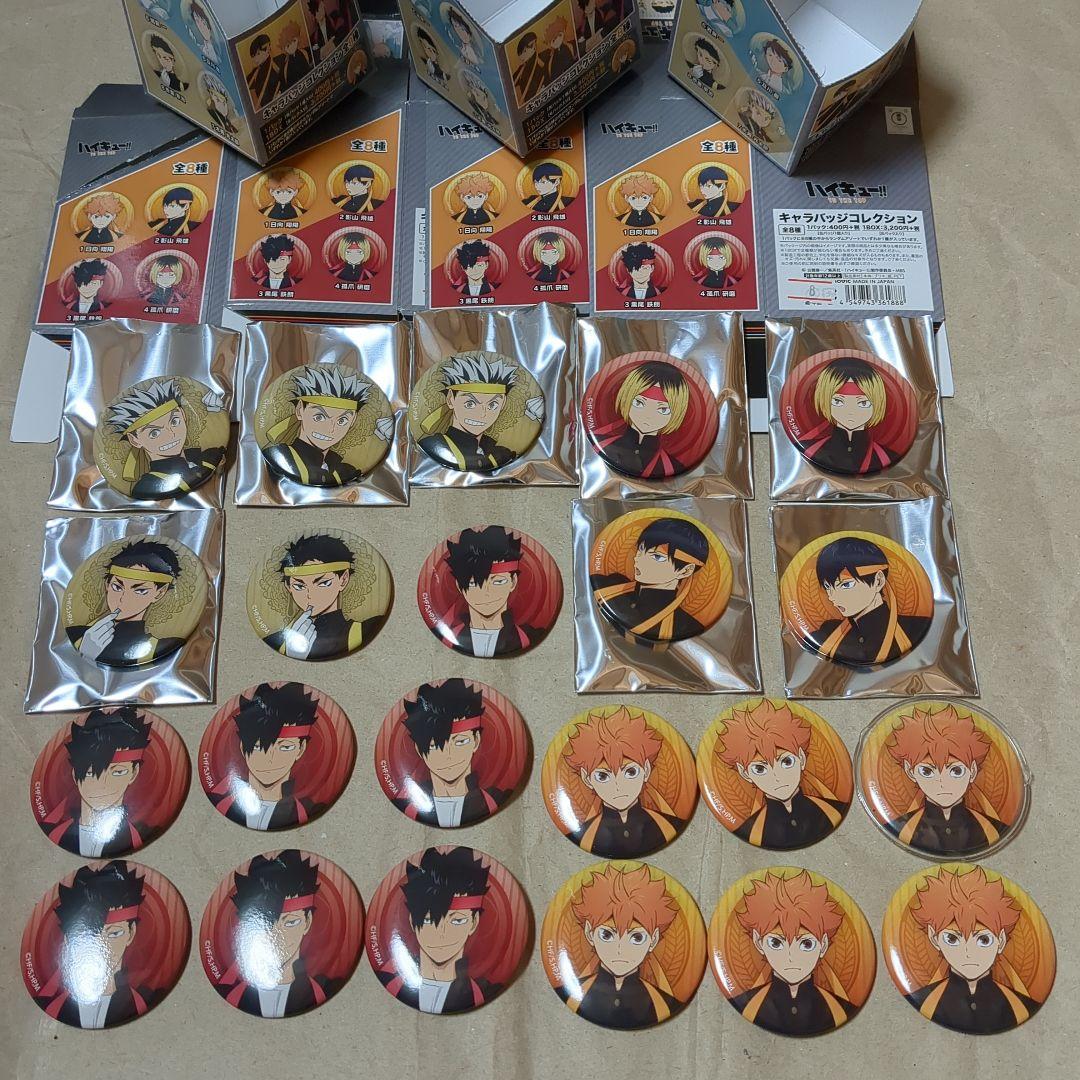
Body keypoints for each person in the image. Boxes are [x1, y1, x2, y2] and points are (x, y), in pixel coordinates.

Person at [905, 866, 1041, 1034]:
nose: (968, 953)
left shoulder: (1021, 1005)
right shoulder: (926, 999)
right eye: (952, 939)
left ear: (1001, 940)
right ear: (934, 938)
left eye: (983, 940)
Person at [729, 870, 857, 1035]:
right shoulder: (747, 1003)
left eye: (806, 944)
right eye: (776, 943)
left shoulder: (839, 1008)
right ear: (758, 942)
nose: (791, 958)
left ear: (823, 944)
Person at [216, 851, 339, 1017]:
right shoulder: (228, 989)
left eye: (290, 923)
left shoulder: (325, 987)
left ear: (308, 921)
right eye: (265, 923)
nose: (277, 936)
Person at [35, 862, 158, 1028]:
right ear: (68, 939)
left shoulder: (144, 998)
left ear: (131, 932)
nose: (103, 946)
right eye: (89, 936)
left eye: (114, 933)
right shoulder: (49, 1003)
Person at [379, 847, 502, 1013]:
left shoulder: (481, 991)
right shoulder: (388, 977)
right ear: (412, 921)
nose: (442, 934)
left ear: (473, 923)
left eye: (457, 921)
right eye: (429, 920)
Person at [561, 863, 680, 1028]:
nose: (620, 950)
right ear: (589, 932)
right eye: (607, 935)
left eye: (636, 937)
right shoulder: (573, 991)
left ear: (653, 940)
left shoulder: (663, 1003)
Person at [717, 700, 847, 848]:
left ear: (801, 758)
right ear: (744, 773)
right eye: (760, 769)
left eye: (786, 762)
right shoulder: (751, 830)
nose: (777, 778)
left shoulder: (834, 810)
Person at [884, 704, 1009, 856]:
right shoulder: (900, 827)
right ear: (910, 771)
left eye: (956, 771)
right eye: (927, 771)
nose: (942, 783)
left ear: (973, 770)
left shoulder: (994, 829)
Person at [564, 707, 684, 856]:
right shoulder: (584, 835)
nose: (618, 786)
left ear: (646, 770)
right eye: (603, 776)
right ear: (587, 779)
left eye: (630, 772)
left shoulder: (670, 825)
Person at [39, 707, 152, 857]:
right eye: (91, 773)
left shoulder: (138, 834)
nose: (103, 785)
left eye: (118, 772)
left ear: (134, 773)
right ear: (75, 775)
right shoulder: (56, 832)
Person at [209, 683, 324, 829]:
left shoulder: (308, 809)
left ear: (300, 749)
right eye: (258, 747)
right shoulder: (219, 800)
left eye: (285, 747)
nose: (270, 759)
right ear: (243, 747)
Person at [394, 679, 508, 826]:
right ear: (418, 750)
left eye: (460, 742)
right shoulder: (405, 804)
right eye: (435, 746)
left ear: (476, 741)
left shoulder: (495, 798)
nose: (448, 756)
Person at [807, 536, 932, 665]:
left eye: (846, 585)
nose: (832, 597)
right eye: (828, 587)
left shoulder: (915, 627)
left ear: (878, 580)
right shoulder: (827, 632)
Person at [67, 539, 186, 667]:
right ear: (107, 585)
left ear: (159, 593)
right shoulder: (74, 632)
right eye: (117, 587)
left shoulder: (159, 648)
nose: (123, 599)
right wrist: (86, 651)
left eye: (140, 590)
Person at [262, 533, 383, 659]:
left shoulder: (367, 628)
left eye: (323, 583)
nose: (310, 595)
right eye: (299, 586)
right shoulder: (273, 640)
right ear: (288, 587)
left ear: (343, 579)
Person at [104, 376, 226, 500]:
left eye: (174, 421)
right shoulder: (147, 486)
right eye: (154, 433)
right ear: (134, 440)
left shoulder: (209, 456)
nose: (171, 434)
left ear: (183, 415)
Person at [591, 517, 709, 642]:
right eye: (641, 549)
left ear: (685, 570)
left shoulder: (685, 625)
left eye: (657, 557)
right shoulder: (608, 584)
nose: (638, 559)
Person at [417, 352, 531, 472]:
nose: (482, 414)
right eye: (470, 404)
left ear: (503, 404)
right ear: (450, 399)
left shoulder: (502, 454)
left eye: (492, 405)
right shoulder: (431, 445)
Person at [261, 364, 370, 487]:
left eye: (342, 420)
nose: (331, 429)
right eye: (319, 417)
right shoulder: (277, 457)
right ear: (300, 410)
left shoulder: (347, 471)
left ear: (353, 420)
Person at [442, 526, 542, 656]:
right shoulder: (447, 635)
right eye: (474, 583)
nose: (486, 593)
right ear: (459, 586)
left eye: (498, 582)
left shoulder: (531, 635)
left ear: (513, 582)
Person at [796, 356, 904, 475]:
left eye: (863, 403)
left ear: (877, 403)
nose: (850, 411)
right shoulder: (811, 449)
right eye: (838, 401)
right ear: (825, 400)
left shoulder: (886, 456)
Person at [590, 360, 689, 478]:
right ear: (626, 398)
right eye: (639, 403)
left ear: (677, 412)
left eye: (663, 409)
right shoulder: (596, 444)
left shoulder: (673, 466)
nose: (648, 415)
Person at [274, 21, 313, 91]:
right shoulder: (284, 67)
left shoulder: (305, 52)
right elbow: (283, 84)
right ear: (284, 48)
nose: (292, 46)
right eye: (288, 45)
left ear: (298, 39)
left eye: (294, 41)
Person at [512, 32, 545, 102]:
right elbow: (512, 82)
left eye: (524, 51)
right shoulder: (521, 68)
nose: (521, 56)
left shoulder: (542, 58)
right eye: (521, 53)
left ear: (534, 46)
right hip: (529, 103)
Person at [245, 33, 276, 107]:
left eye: (258, 54)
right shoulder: (254, 73)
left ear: (268, 50)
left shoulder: (277, 63)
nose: (255, 59)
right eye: (253, 56)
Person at [543, 16, 576, 82]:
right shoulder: (549, 61)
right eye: (553, 40)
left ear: (564, 31)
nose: (557, 40)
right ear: (549, 42)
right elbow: (548, 78)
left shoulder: (571, 46)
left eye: (560, 35)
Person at [188, 1, 220, 66]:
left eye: (203, 21)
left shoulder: (218, 50)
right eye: (197, 21)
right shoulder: (201, 49)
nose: (201, 25)